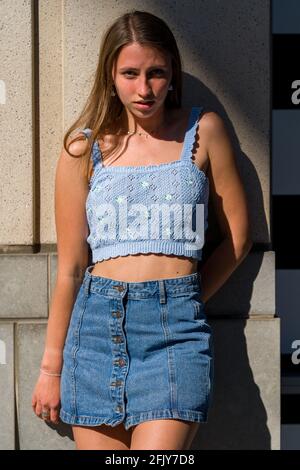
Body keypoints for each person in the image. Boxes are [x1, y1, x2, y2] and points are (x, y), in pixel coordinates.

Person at [31, 9, 253, 450]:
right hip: (94, 333)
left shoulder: (203, 131)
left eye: (156, 72)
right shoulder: (84, 149)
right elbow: (72, 267)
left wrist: (182, 301)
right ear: (110, 75)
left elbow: (238, 239)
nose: (144, 88)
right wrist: (50, 368)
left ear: (172, 72)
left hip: (175, 338)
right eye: (130, 73)